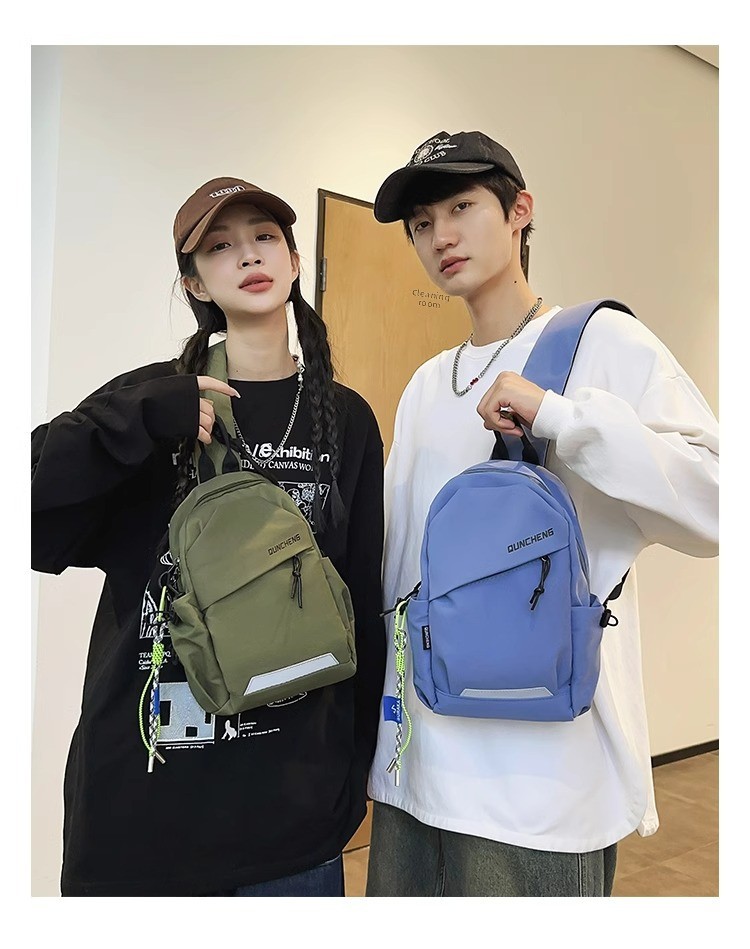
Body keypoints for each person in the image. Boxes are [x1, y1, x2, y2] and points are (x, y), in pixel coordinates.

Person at [364, 131, 719, 897]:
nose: (440, 235)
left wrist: (562, 415)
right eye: (422, 223)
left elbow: (718, 500)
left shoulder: (599, 342)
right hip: (415, 768)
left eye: (461, 207)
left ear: (519, 210)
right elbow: (399, 569)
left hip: (540, 791)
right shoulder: (426, 384)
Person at [31, 176, 385, 897]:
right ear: (194, 282)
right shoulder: (150, 398)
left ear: (294, 261)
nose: (248, 255)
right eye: (220, 247)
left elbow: (362, 596)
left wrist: (355, 771)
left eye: (265, 237)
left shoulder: (346, 419)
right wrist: (144, 419)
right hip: (143, 811)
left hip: (292, 822)